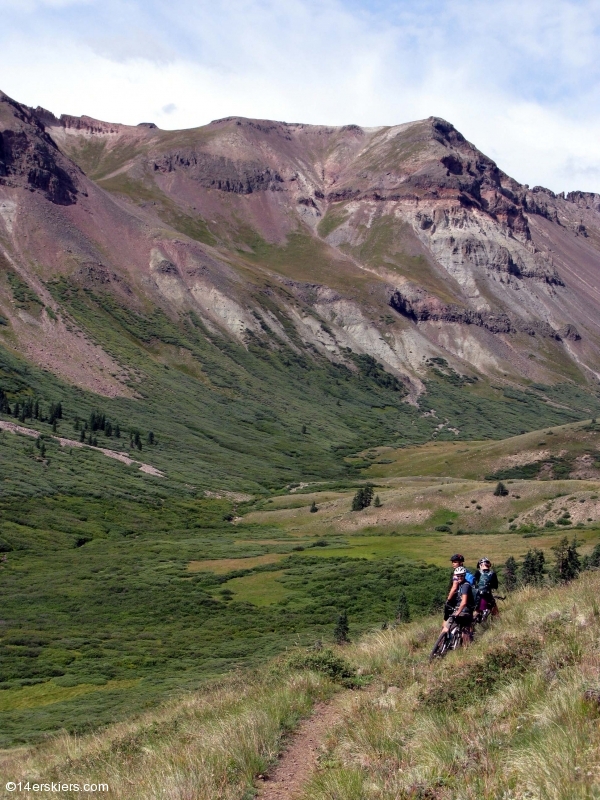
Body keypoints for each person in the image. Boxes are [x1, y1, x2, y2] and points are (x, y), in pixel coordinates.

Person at [441, 566, 475, 645]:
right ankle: (465, 648)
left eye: (461, 575)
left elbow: (464, 602)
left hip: (465, 611)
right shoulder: (461, 585)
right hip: (466, 611)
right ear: (455, 576)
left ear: (464, 575)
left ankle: (440, 647)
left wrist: (457, 612)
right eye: (457, 575)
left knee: (447, 628)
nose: (459, 577)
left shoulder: (465, 586)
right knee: (462, 630)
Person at [445, 554, 479, 619]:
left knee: (447, 617)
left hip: (460, 599)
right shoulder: (466, 571)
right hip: (469, 600)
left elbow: (454, 588)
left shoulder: (457, 573)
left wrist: (448, 600)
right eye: (452, 562)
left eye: (455, 562)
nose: (453, 564)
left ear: (461, 563)